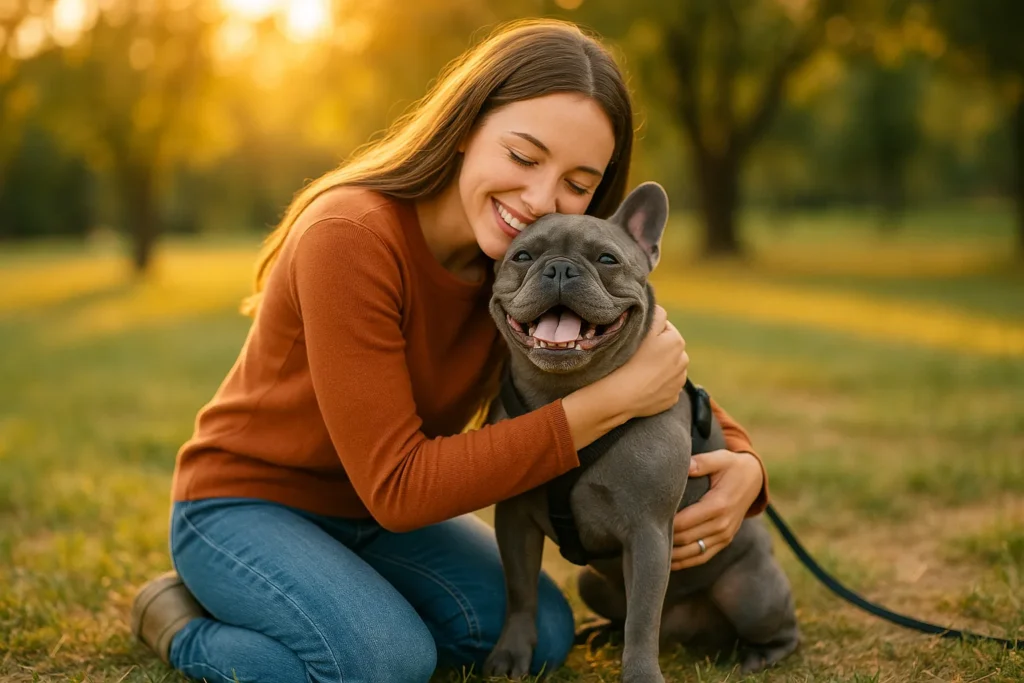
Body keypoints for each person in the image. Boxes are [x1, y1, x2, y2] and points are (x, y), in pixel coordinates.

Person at [130, 18, 769, 683]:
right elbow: (400, 487)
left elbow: (649, 368)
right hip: (247, 505)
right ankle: (176, 620)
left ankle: (343, 593)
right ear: (466, 127)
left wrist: (745, 462)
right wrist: (601, 408)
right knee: (383, 661)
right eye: (524, 156)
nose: (540, 197)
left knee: (542, 634)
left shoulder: (521, 268)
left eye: (578, 182)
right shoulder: (351, 236)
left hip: (371, 521)